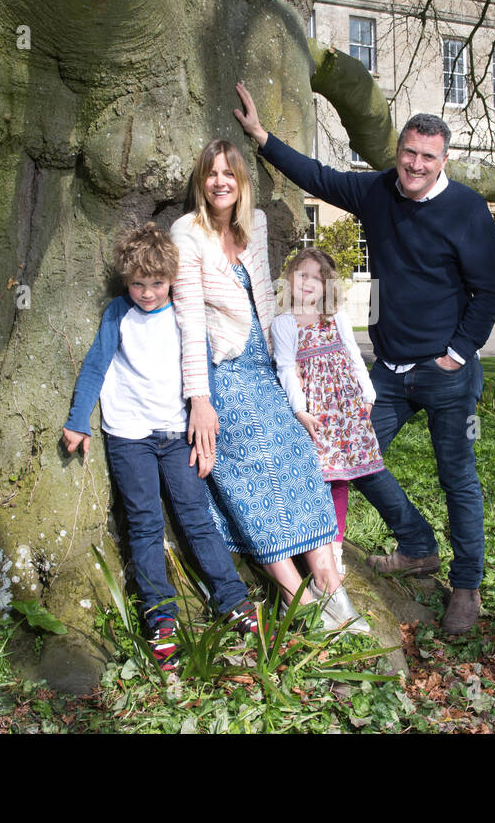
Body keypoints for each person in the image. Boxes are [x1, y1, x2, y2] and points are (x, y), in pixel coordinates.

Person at [233, 81, 495, 635]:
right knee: (348, 456)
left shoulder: (467, 210)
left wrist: (455, 355)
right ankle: (416, 545)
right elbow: (320, 177)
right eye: (409, 152)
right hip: (389, 372)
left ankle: (467, 587)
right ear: (399, 151)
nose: (415, 164)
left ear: (443, 160)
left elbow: (490, 295)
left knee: (458, 478)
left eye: (427, 156)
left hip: (446, 374)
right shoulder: (379, 192)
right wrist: (262, 139)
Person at [170, 140, 369, 634]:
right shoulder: (186, 234)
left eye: (229, 174)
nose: (220, 182)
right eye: (211, 173)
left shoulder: (254, 224)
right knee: (254, 474)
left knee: (300, 461)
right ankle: (293, 595)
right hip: (224, 373)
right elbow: (191, 321)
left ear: (241, 182)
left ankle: (330, 586)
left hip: (264, 370)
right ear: (202, 180)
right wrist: (199, 399)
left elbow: (264, 299)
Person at [61, 222, 261, 671]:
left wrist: (206, 427)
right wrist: (79, 421)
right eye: (138, 284)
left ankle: (233, 600)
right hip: (129, 435)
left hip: (176, 434)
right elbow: (95, 365)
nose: (147, 293)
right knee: (145, 523)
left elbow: (204, 370)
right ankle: (160, 616)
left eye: (156, 283)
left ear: (171, 280)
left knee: (196, 518)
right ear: (125, 282)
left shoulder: (184, 315)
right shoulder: (118, 313)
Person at [271, 247, 385, 577]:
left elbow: (353, 355)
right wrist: (300, 410)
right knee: (314, 476)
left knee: (339, 479)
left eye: (316, 279)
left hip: (343, 410)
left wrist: (367, 393)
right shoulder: (285, 322)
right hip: (312, 413)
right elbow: (286, 369)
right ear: (290, 279)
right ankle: (311, 545)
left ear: (327, 286)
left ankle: (335, 547)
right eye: (301, 275)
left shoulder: (336, 318)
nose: (308, 283)